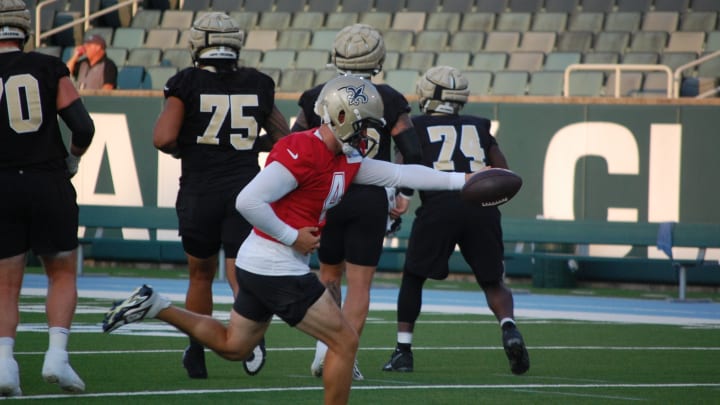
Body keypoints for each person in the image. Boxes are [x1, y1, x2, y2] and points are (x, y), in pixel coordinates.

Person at [103, 75, 478, 405]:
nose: (367, 136)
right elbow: (247, 200)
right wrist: (292, 236)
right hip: (275, 263)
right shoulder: (303, 150)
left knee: (235, 346)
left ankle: (156, 305)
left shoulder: (344, 157)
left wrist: (467, 181)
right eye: (364, 126)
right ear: (343, 117)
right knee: (345, 342)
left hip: (261, 263)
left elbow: (401, 171)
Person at [152, 12, 290, 379]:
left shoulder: (186, 81)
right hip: (247, 189)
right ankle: (252, 336)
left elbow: (163, 137)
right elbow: (281, 135)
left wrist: (192, 147)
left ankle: (196, 350)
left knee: (200, 274)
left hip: (200, 189)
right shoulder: (258, 82)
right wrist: (245, 146)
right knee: (241, 269)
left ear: (198, 44)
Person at [291, 23, 422, 381]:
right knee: (360, 285)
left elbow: (294, 143)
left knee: (328, 276)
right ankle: (343, 356)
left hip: (327, 195)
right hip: (368, 197)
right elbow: (413, 151)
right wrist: (403, 194)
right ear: (377, 58)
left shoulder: (317, 94)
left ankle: (323, 349)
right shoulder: (390, 98)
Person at [381, 66, 530, 376]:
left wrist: (400, 198)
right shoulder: (478, 125)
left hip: (439, 207)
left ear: (429, 97)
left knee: (413, 277)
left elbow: (405, 165)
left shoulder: (417, 125)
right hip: (481, 206)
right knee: (492, 281)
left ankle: (403, 352)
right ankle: (509, 328)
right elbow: (503, 171)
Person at [0, 0, 95, 396]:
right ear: (25, 29)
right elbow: (83, 127)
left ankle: (4, 365)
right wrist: (72, 161)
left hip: (2, 184)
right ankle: (57, 356)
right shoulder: (47, 66)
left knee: (4, 284)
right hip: (47, 180)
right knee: (62, 272)